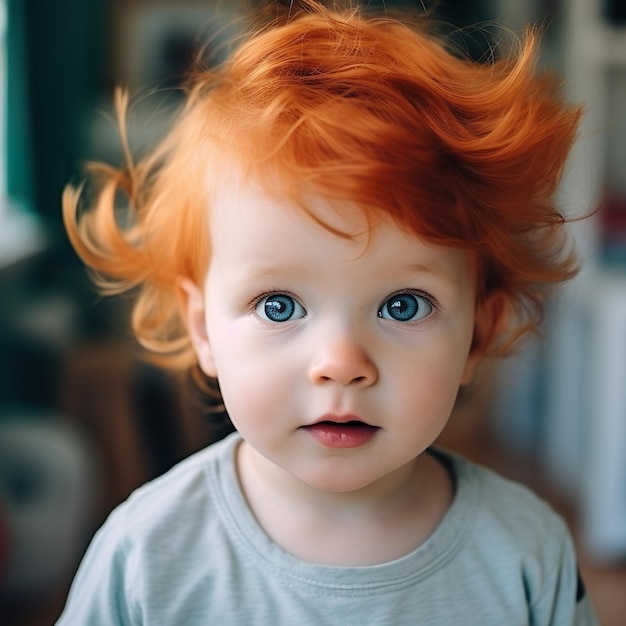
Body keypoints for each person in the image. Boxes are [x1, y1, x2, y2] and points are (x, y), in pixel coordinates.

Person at [56, 1, 598, 623]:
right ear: (203, 327)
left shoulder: (527, 554)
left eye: (402, 305)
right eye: (280, 305)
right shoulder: (145, 555)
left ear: (478, 333)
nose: (341, 365)